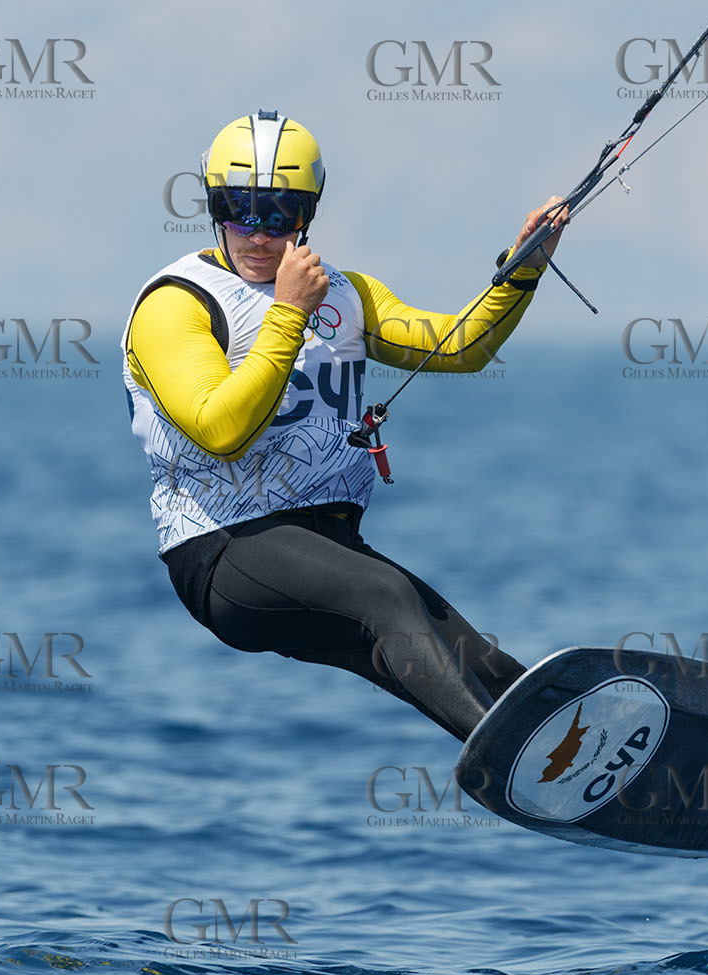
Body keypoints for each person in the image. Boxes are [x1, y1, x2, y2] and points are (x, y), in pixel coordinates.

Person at [121, 109, 569, 742]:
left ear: (307, 215)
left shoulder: (347, 295)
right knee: (387, 597)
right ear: (211, 203)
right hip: (225, 550)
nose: (257, 233)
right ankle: (513, 760)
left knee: (476, 657)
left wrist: (524, 266)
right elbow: (219, 429)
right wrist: (287, 314)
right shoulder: (176, 304)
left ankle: (589, 760)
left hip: (326, 547)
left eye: (279, 214)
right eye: (237, 208)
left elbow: (461, 346)